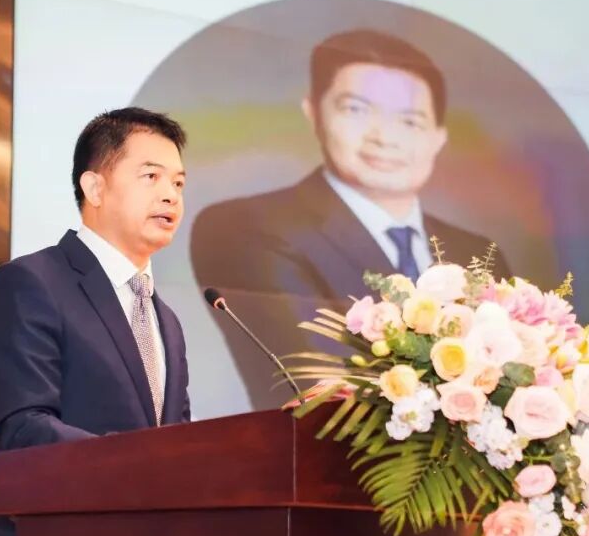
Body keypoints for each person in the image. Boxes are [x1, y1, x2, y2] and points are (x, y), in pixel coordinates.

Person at [191, 29, 509, 410]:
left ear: (438, 137)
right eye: (356, 110)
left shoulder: (478, 253)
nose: (384, 138)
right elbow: (321, 385)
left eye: (410, 121)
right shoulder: (244, 228)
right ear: (313, 113)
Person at [0, 107, 192, 536]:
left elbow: (180, 446)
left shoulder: (167, 320)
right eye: (151, 176)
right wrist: (144, 466)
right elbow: (22, 431)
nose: (170, 195)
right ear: (94, 187)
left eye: (179, 183)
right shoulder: (30, 284)